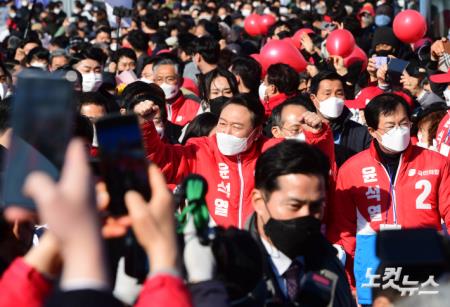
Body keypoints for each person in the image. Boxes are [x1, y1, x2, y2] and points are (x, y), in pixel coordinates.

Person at [140, 93, 333, 228]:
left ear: (257, 132)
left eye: (236, 126)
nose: (226, 132)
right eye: (222, 124)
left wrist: (317, 136)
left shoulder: (272, 152)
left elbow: (314, 169)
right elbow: (159, 161)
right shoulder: (200, 149)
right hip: (213, 252)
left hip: (262, 252)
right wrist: (144, 127)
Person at [328, 93, 450, 305]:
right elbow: (344, 229)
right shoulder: (352, 169)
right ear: (372, 131)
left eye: (404, 123)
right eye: (390, 126)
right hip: (372, 261)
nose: (400, 130)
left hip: (424, 257)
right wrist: (348, 280)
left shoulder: (437, 163)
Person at [247, 140, 356, 307]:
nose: (306, 215)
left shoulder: (329, 264)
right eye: (294, 205)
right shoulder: (228, 272)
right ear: (259, 201)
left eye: (315, 206)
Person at [309, 71, 372, 166]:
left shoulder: (362, 134)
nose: (333, 98)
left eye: (339, 93)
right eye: (327, 94)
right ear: (314, 98)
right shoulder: (305, 132)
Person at [153, 57, 200, 127]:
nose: (164, 84)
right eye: (159, 79)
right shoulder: (150, 108)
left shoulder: (196, 108)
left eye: (170, 79)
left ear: (181, 81)